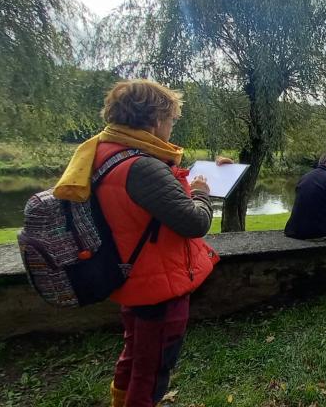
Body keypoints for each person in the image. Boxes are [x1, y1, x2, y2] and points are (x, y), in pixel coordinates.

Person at [54, 80, 219, 407]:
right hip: (157, 285)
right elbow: (195, 222)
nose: (172, 127)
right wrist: (201, 192)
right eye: (171, 120)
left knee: (135, 356)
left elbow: (149, 202)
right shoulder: (142, 166)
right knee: (152, 370)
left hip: (130, 277)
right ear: (156, 119)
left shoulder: (102, 152)